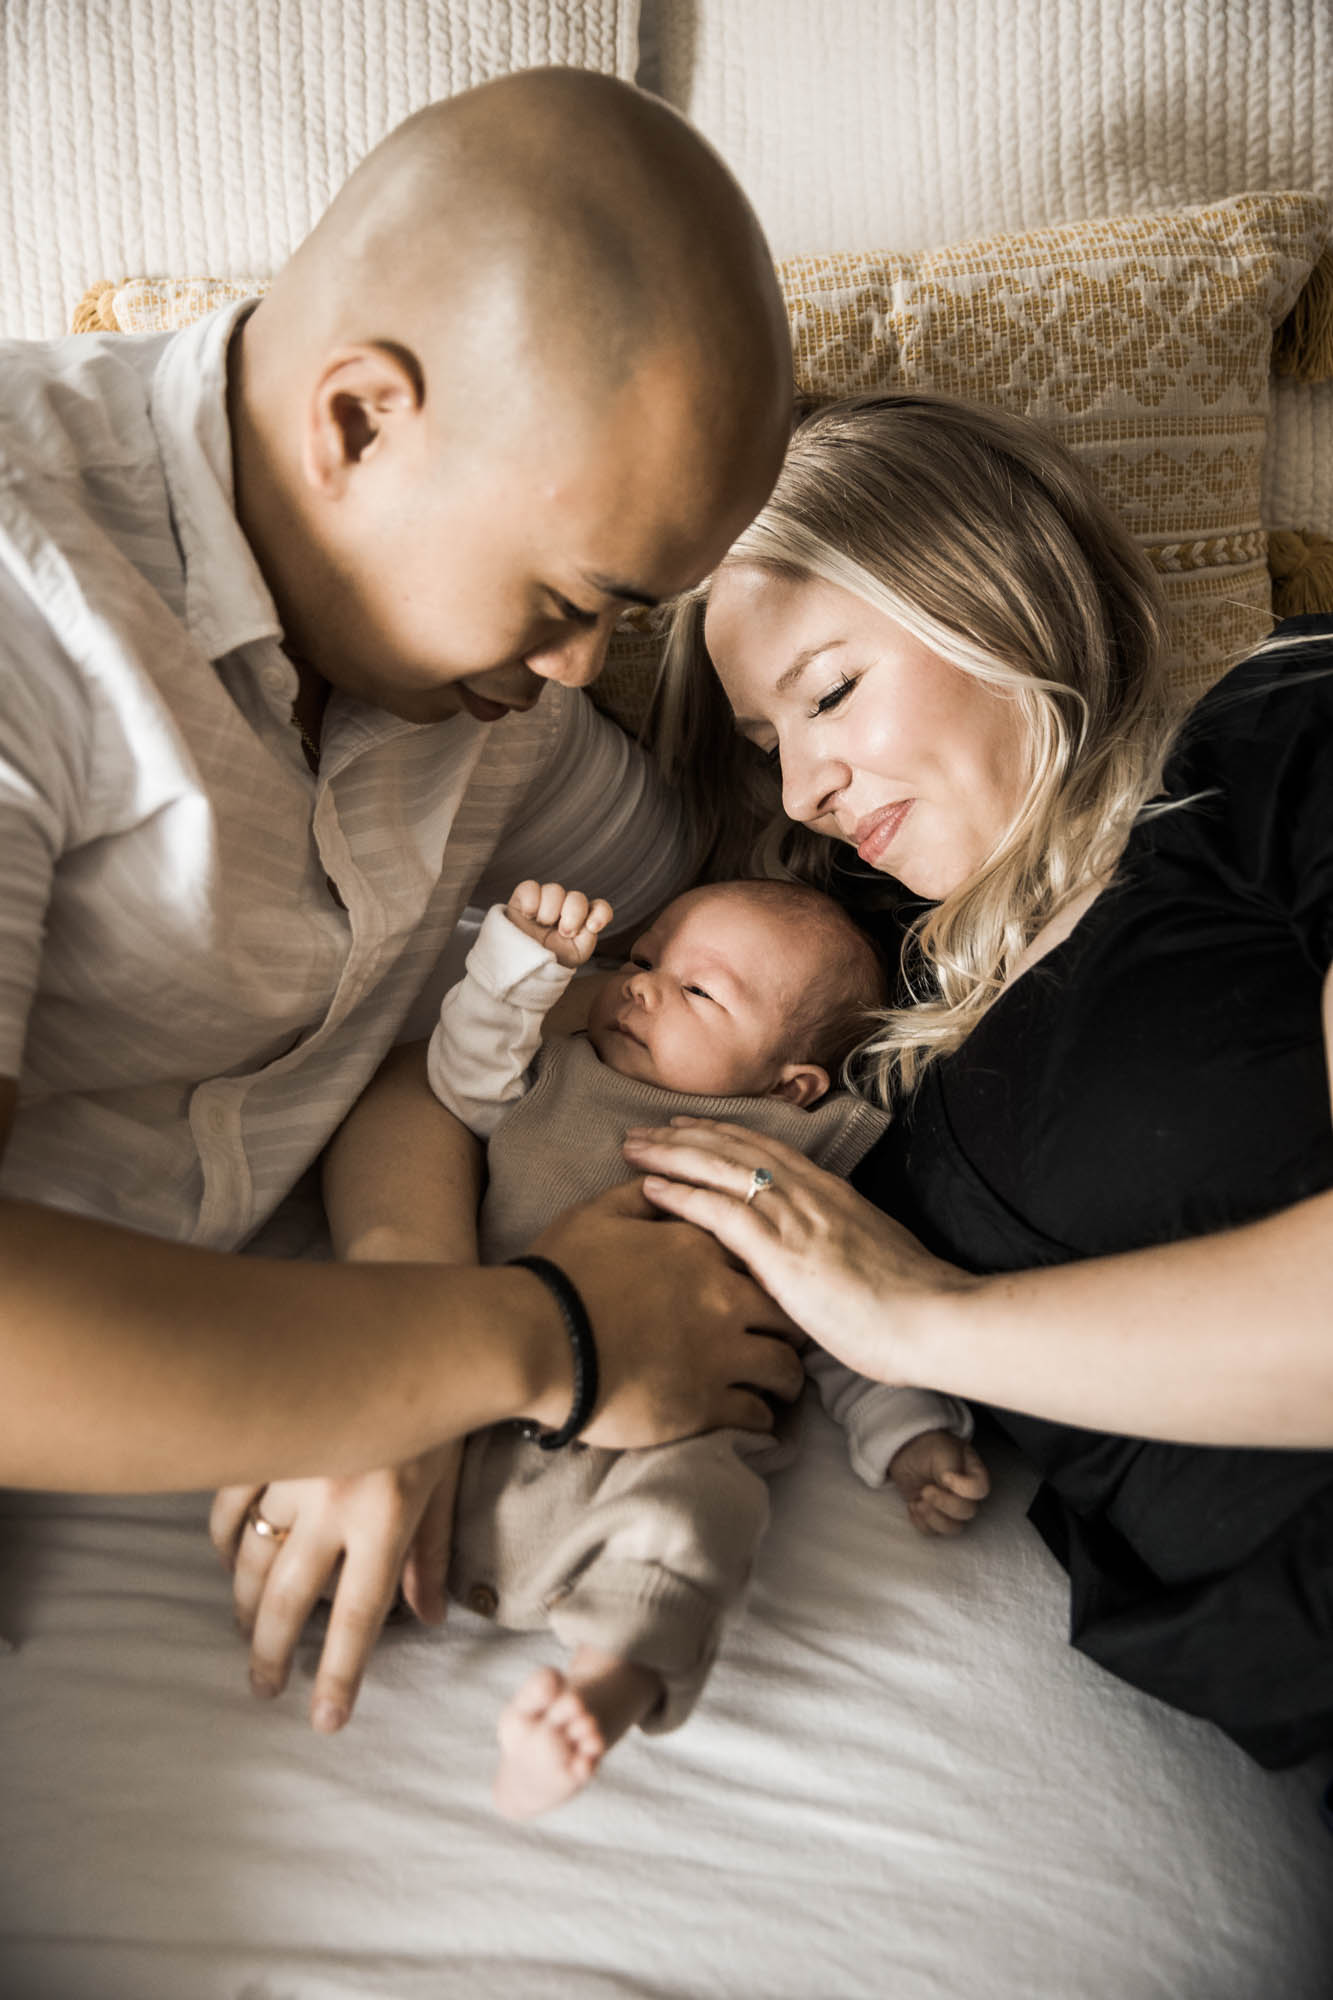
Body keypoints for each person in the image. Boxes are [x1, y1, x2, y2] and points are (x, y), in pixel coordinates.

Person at [0, 69, 804, 1730]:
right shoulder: (31, 592)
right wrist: (534, 1337)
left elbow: (731, 920)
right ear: (359, 421)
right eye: (572, 603)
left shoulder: (496, 705)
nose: (581, 673)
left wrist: (403, 1270)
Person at [623, 389, 1333, 1769]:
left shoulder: (1278, 737)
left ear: (995, 592)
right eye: (766, 747)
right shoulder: (853, 1031)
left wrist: (917, 1324)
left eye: (830, 692)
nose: (801, 792)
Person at [431, 874, 985, 1816]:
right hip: (482, 1386)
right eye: (644, 962)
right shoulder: (549, 1072)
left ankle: (605, 1688)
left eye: (698, 991)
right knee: (369, 1431)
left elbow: (841, 1316)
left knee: (701, 1512)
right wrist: (516, 963)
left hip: (664, 1434)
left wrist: (908, 1434)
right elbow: (458, 1074)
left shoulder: (788, 1166)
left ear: (790, 1083)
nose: (640, 986)